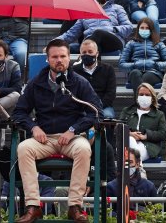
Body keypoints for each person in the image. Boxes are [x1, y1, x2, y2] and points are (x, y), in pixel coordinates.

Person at [12, 39, 102, 223]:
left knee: (84, 149)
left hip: (72, 138)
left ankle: (74, 206)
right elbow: (19, 112)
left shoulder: (79, 82)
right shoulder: (35, 83)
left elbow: (96, 112)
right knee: (23, 148)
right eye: (54, 57)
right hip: (44, 139)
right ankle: (33, 206)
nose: (59, 60)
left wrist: (73, 129)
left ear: (70, 58)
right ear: (48, 59)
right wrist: (33, 127)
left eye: (63, 56)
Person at [58, 0, 133, 53]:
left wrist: (113, 29)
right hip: (90, 43)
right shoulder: (84, 13)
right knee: (63, 49)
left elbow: (129, 27)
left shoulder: (116, 8)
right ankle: (94, 64)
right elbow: (71, 34)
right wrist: (54, 43)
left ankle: (85, 59)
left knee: (98, 33)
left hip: (113, 42)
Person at [119, 17, 166, 93]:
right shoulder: (131, 43)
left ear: (151, 30)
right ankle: (143, 102)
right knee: (135, 73)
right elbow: (121, 64)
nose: (144, 30)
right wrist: (135, 65)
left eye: (147, 28)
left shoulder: (159, 43)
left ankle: (138, 102)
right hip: (135, 72)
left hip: (154, 72)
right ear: (138, 29)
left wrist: (155, 64)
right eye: (142, 28)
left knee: (145, 78)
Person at [119, 82, 166, 162]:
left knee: (133, 152)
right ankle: (138, 169)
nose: (144, 97)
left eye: (147, 95)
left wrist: (145, 136)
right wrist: (129, 134)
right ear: (137, 97)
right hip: (127, 144)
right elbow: (118, 128)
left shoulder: (159, 114)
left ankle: (131, 166)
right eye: (141, 94)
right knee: (130, 140)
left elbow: (162, 134)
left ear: (152, 98)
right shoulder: (127, 111)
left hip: (148, 146)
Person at [72, 39, 116, 118]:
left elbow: (111, 93)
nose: (87, 54)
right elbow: (73, 93)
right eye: (84, 52)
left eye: (90, 52)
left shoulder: (108, 69)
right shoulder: (74, 70)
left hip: (103, 106)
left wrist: (98, 106)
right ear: (80, 54)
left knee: (107, 116)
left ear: (97, 54)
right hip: (82, 107)